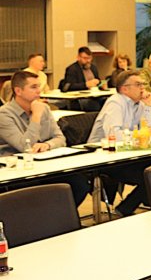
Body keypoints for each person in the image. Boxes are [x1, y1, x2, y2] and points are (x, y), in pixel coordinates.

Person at [0, 71, 90, 204]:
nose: (39, 91)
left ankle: (59, 216)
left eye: (38, 86)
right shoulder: (4, 114)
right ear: (18, 91)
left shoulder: (44, 108)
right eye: (33, 87)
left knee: (79, 183)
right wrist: (36, 116)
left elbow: (60, 138)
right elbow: (25, 147)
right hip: (17, 169)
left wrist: (47, 145)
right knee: (37, 192)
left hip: (44, 163)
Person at [88, 70, 151, 216]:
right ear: (125, 89)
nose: (142, 88)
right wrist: (139, 135)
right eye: (138, 84)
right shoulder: (115, 103)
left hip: (127, 153)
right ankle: (126, 208)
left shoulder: (139, 104)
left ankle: (128, 207)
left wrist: (148, 107)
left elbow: (149, 129)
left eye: (143, 84)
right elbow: (113, 135)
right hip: (104, 157)